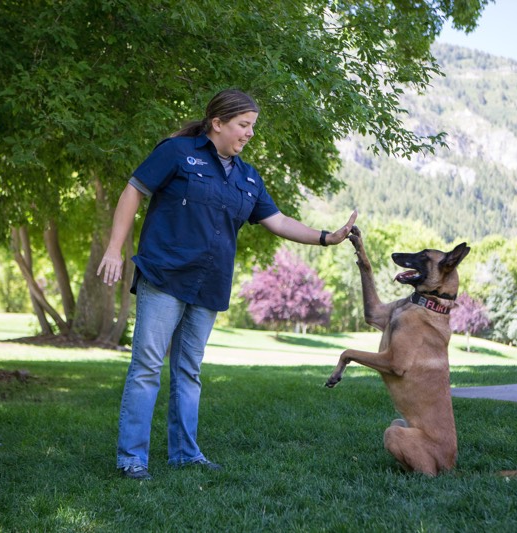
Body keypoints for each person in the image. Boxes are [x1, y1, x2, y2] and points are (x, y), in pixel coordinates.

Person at [96, 89, 358, 480]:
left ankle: (184, 453)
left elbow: (279, 221)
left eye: (253, 126)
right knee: (148, 366)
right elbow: (134, 190)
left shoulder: (248, 177)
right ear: (217, 123)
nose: (250, 133)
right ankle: (132, 458)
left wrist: (326, 237)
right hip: (165, 275)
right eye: (243, 125)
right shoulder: (176, 152)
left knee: (189, 370)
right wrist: (115, 249)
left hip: (209, 285)